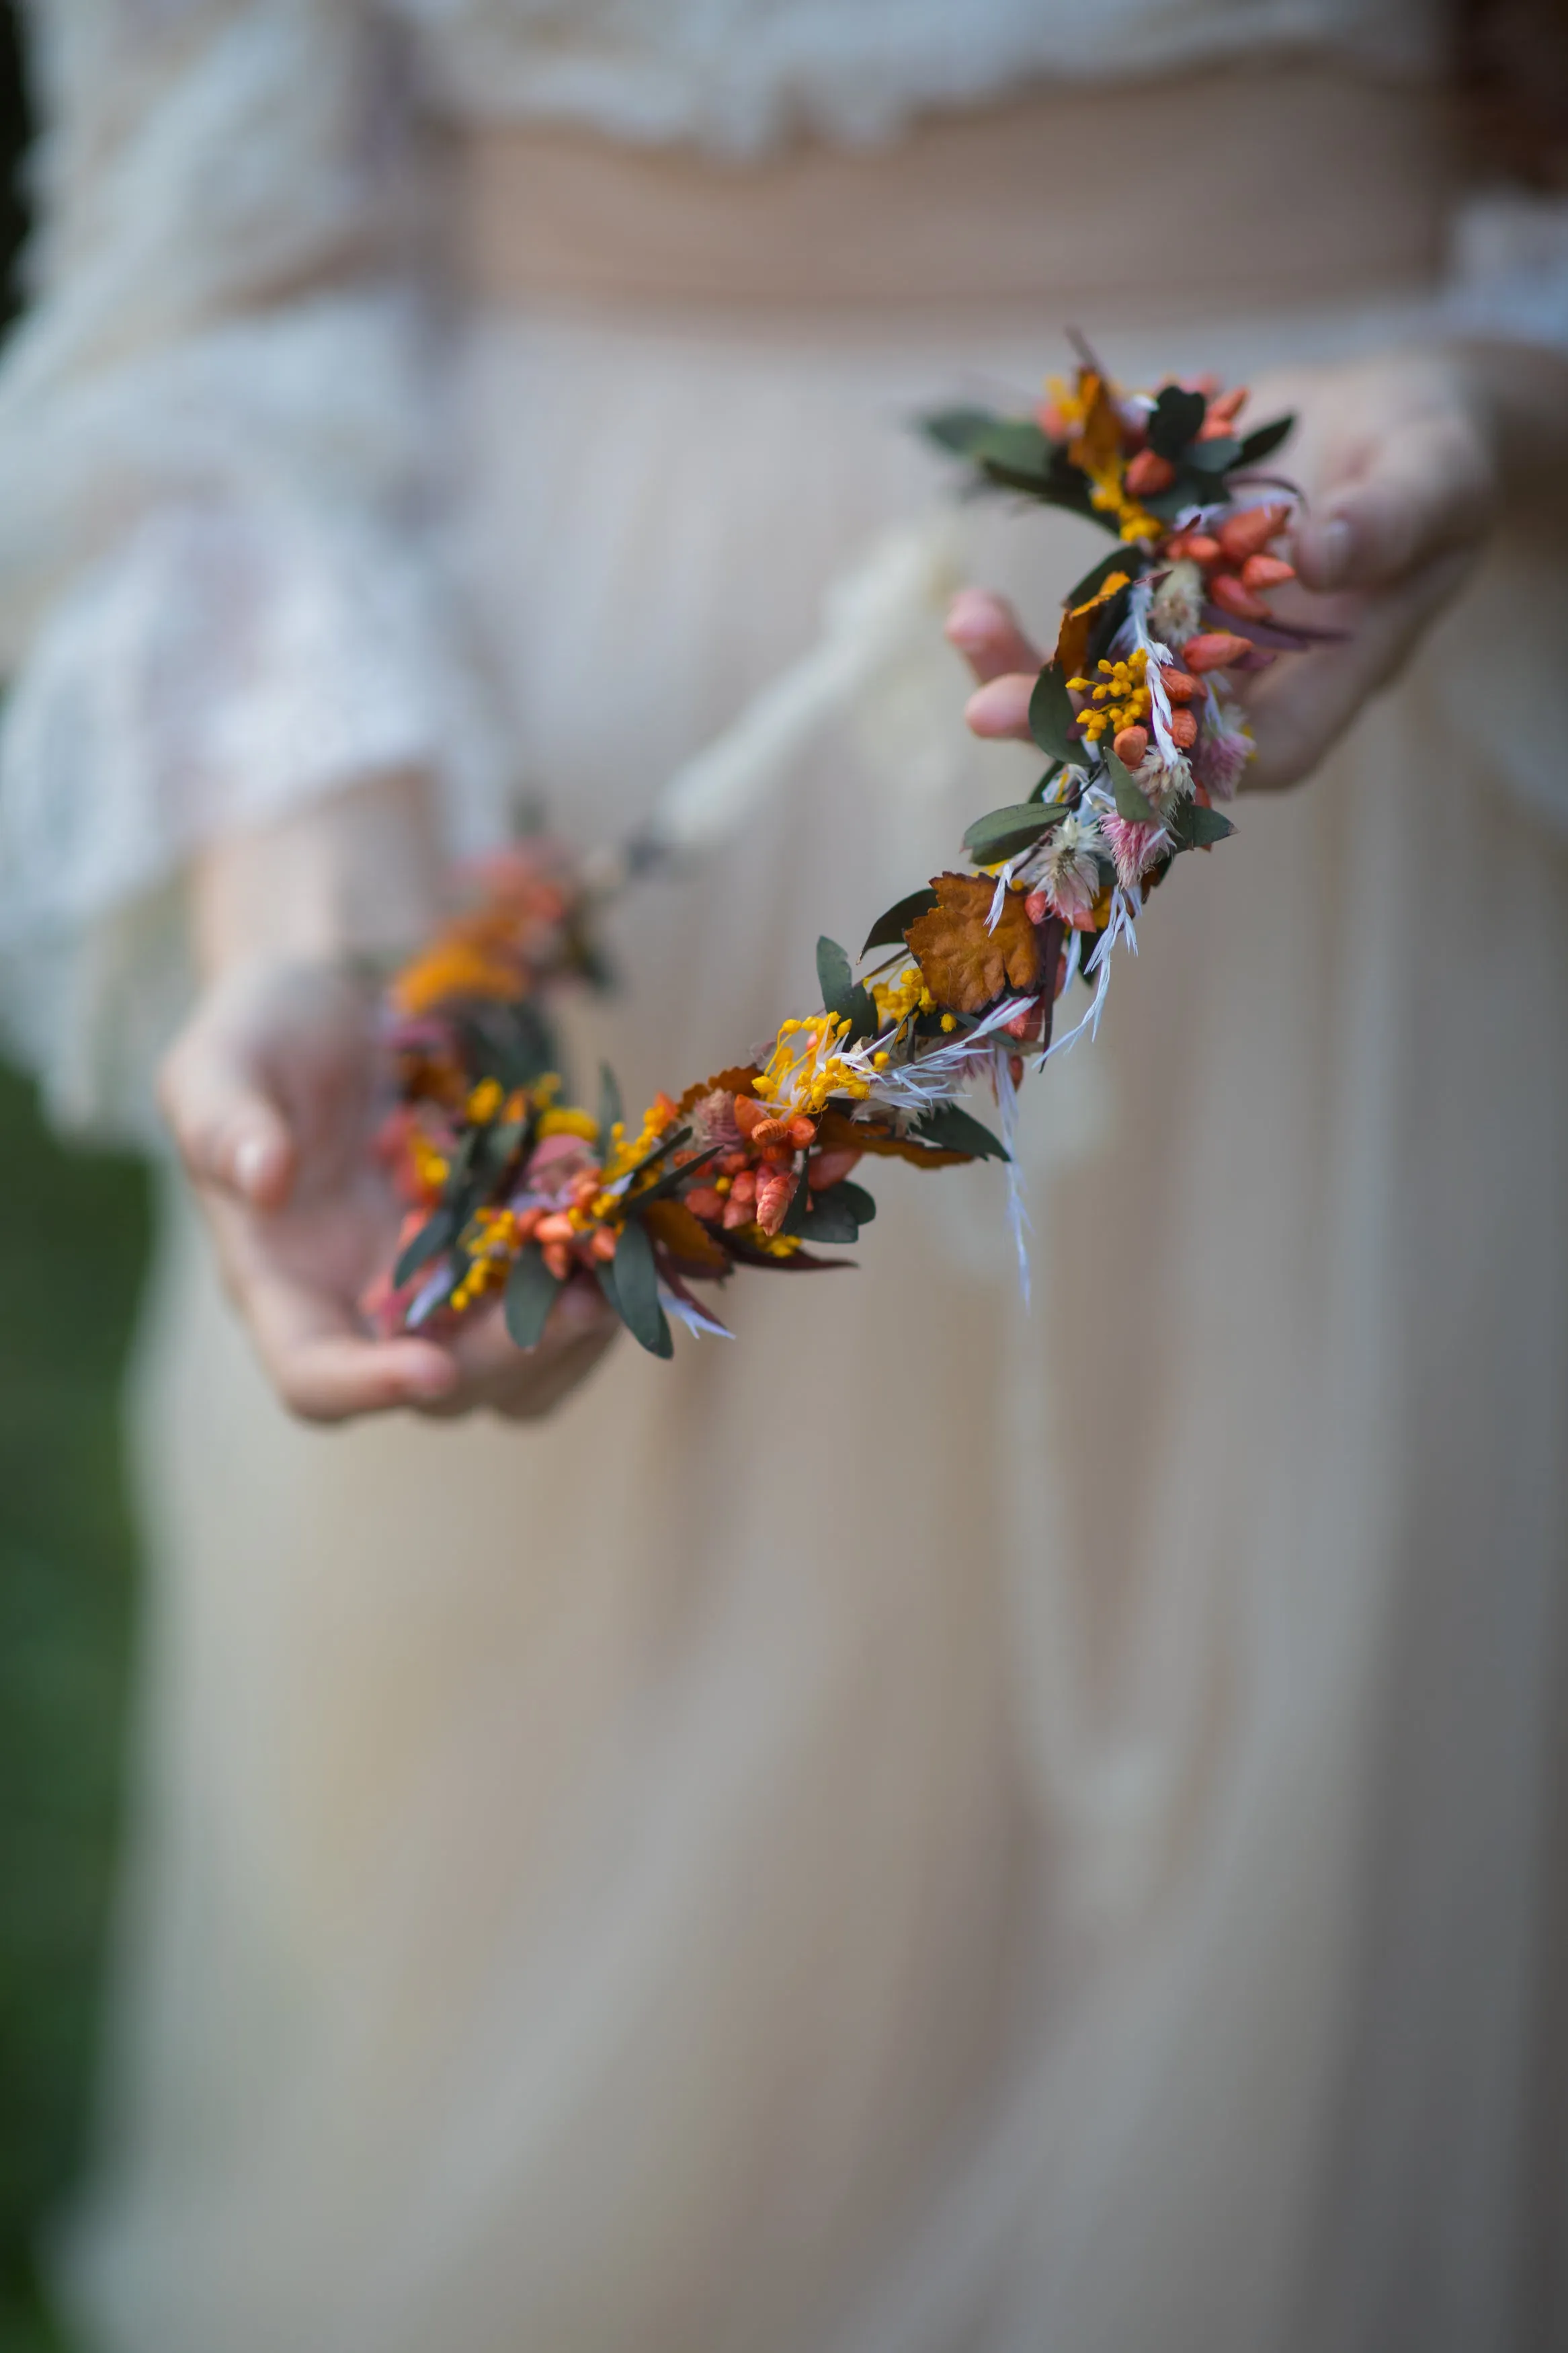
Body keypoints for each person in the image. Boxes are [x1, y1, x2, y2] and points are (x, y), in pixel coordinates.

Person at [0, 4, 1564, 2348]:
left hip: (1348, 779)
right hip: (526, 772)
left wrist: (1478, 411)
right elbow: (212, 271)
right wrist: (335, 932)